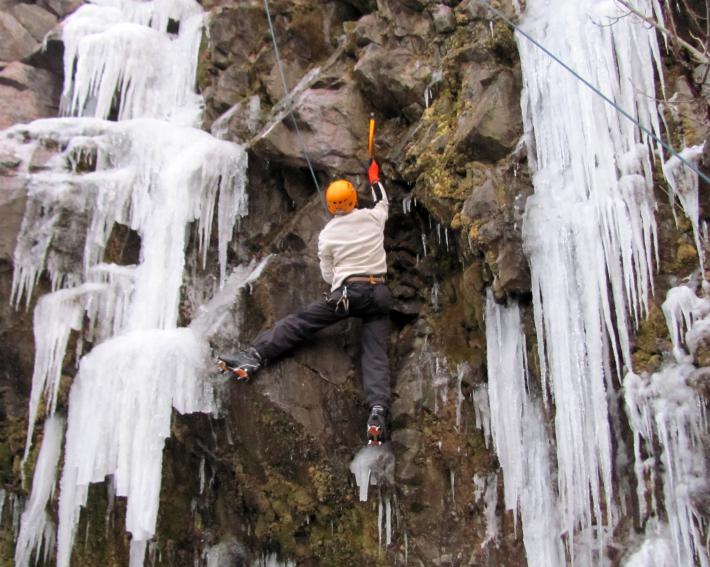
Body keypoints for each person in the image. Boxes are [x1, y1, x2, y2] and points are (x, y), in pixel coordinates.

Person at [217, 159, 392, 445]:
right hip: (380, 294)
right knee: (375, 354)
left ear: (331, 205)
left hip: (348, 295)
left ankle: (254, 355)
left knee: (302, 322)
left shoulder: (327, 236)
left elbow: (327, 275)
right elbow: (382, 200)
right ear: (353, 199)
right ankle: (377, 411)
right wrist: (374, 177)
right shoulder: (374, 217)